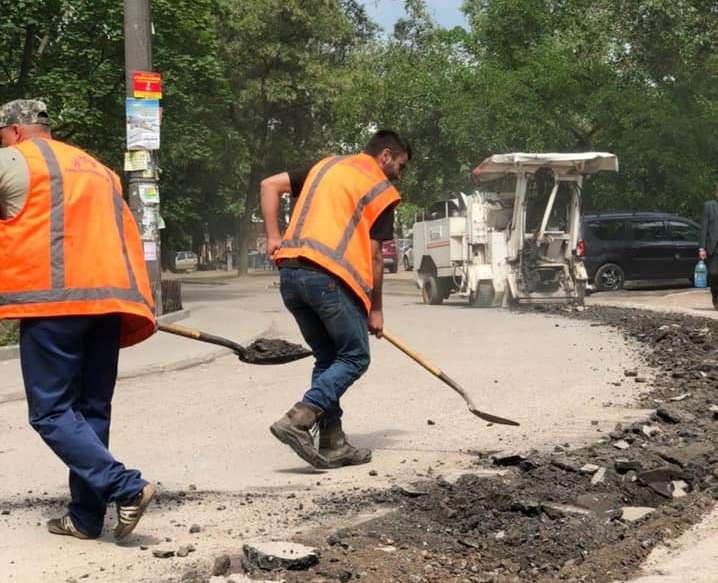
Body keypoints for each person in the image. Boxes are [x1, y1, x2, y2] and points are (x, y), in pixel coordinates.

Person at [0, 99, 157, 540]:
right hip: (107, 303)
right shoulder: (96, 168)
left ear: (14, 131)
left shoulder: (14, 160)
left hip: (55, 304)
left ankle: (125, 487)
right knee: (90, 411)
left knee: (51, 412)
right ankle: (86, 518)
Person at [260, 130, 410, 469]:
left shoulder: (324, 167)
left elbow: (269, 185)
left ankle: (332, 440)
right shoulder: (381, 191)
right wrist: (376, 309)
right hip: (328, 278)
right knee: (355, 356)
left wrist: (273, 237)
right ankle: (299, 419)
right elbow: (374, 258)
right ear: (385, 155)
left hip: (291, 275)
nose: (399, 175)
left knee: (328, 358)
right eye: (400, 165)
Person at [700, 186, 718, 309]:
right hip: (713, 247)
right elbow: (704, 228)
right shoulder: (709, 206)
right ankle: (715, 298)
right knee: (713, 273)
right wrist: (702, 248)